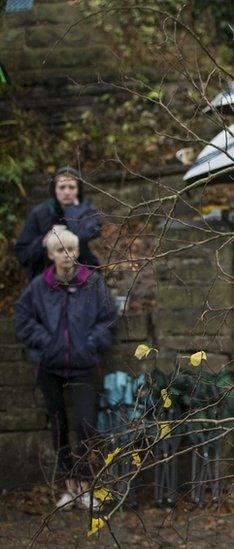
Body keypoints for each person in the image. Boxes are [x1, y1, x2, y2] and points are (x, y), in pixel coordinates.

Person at [14, 227, 116, 510]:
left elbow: (109, 319)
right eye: (60, 250)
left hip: (84, 366)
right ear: (50, 255)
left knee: (85, 425)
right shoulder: (38, 287)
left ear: (77, 252)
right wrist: (46, 342)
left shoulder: (93, 283)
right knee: (59, 427)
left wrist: (91, 343)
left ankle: (85, 486)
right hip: (50, 368)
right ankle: (69, 488)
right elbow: (22, 318)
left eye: (70, 249)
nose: (66, 255)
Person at [15, 166, 103, 280]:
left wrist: (72, 210)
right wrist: (43, 242)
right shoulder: (39, 213)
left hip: (82, 276)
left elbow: (84, 235)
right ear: (54, 189)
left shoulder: (88, 212)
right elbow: (22, 254)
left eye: (71, 187)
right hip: (45, 278)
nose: (66, 192)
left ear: (78, 190)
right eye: (62, 187)